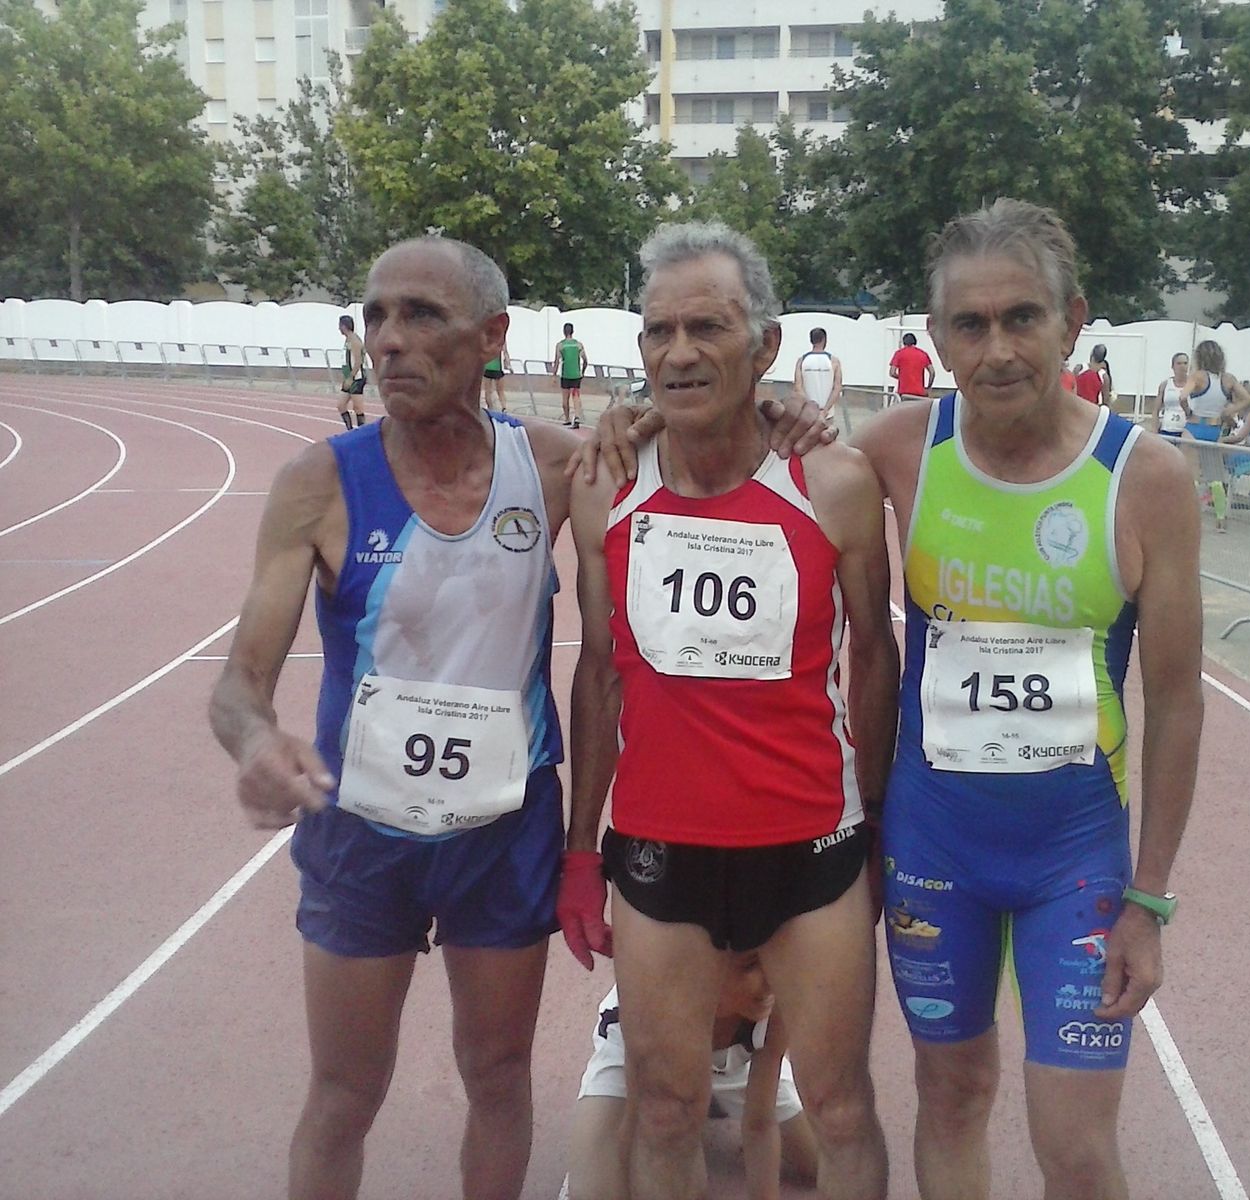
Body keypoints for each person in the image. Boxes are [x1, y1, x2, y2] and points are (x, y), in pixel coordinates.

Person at [209, 236, 592, 1200]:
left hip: (503, 833)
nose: (388, 340)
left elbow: (697, 438)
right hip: (361, 830)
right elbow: (238, 683)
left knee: (498, 1078)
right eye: (376, 315)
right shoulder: (319, 482)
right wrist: (257, 743)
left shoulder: (548, 465)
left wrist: (780, 406)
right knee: (344, 1093)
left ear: (492, 337)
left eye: (422, 315)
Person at [852, 200, 1202, 1200]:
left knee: (1076, 1147)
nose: (997, 349)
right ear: (937, 339)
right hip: (931, 848)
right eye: (970, 324)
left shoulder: (1146, 480)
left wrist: (1150, 900)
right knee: (951, 1094)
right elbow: (746, 457)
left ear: (1071, 319)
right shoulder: (896, 449)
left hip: (1074, 861)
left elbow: (1177, 702)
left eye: (1022, 318)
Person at [565, 221, 897, 1200]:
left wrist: (873, 820)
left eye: (705, 326)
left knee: (841, 1109)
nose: (677, 351)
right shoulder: (605, 487)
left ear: (763, 345)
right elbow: (597, 674)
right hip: (661, 850)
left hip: (809, 849)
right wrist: (583, 850)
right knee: (665, 1109)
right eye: (657, 330)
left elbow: (873, 657)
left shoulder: (832, 481)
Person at [567, 951, 820, 1200]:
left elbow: (760, 1124)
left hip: (735, 1062)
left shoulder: (776, 995)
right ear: (706, 969)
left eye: (773, 961)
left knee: (819, 1159)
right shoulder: (660, 1003)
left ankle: (710, 1101)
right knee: (600, 1190)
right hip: (644, 1060)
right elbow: (636, 1122)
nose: (769, 978)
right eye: (750, 965)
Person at [1177, 340, 1240, 441]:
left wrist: (1188, 412)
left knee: (1188, 456)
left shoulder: (1197, 376)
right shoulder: (1228, 379)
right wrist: (1230, 411)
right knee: (1210, 456)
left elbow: (1182, 397)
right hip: (1214, 426)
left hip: (1194, 425)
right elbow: (1247, 399)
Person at [795, 327, 844, 417]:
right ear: (824, 340)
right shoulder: (834, 361)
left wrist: (810, 408)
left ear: (811, 340)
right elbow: (837, 388)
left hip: (808, 414)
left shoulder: (801, 361)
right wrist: (825, 410)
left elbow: (798, 387)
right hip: (827, 414)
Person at [336, 315, 369, 430]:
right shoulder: (348, 340)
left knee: (358, 408)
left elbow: (358, 361)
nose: (338, 328)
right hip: (349, 378)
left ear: (344, 326)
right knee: (341, 405)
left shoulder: (354, 340)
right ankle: (350, 430)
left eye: (340, 326)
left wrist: (351, 377)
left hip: (356, 378)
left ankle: (361, 432)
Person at [556, 322, 589, 428]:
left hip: (565, 375)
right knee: (576, 397)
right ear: (573, 331)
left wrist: (553, 374)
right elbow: (585, 360)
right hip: (576, 374)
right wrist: (582, 372)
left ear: (564, 332)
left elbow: (557, 361)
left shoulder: (560, 345)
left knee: (565, 399)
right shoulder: (579, 345)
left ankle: (567, 418)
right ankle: (577, 416)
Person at [888, 332, 935, 402]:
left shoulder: (899, 354)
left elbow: (892, 373)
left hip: (904, 392)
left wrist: (902, 377)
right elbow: (932, 372)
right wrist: (928, 387)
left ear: (904, 342)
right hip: (919, 392)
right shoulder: (923, 354)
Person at [1154, 351, 1190, 436]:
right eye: (1179, 363)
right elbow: (1156, 410)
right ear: (1172, 366)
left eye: (1185, 363)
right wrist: (1154, 428)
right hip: (1167, 429)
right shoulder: (1165, 385)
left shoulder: (1194, 385)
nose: (1182, 366)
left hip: (1186, 430)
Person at [1075, 343, 1113, 407]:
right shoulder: (1104, 376)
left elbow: (1070, 388)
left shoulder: (1079, 369)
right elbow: (1105, 401)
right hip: (1093, 409)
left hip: (1077, 406)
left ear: (1091, 354)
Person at [482, 325, 508, 413]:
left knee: (488, 391)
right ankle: (504, 408)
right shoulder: (500, 339)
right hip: (497, 368)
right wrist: (508, 364)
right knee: (500, 391)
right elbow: (505, 352)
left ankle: (491, 409)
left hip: (487, 367)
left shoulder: (486, 338)